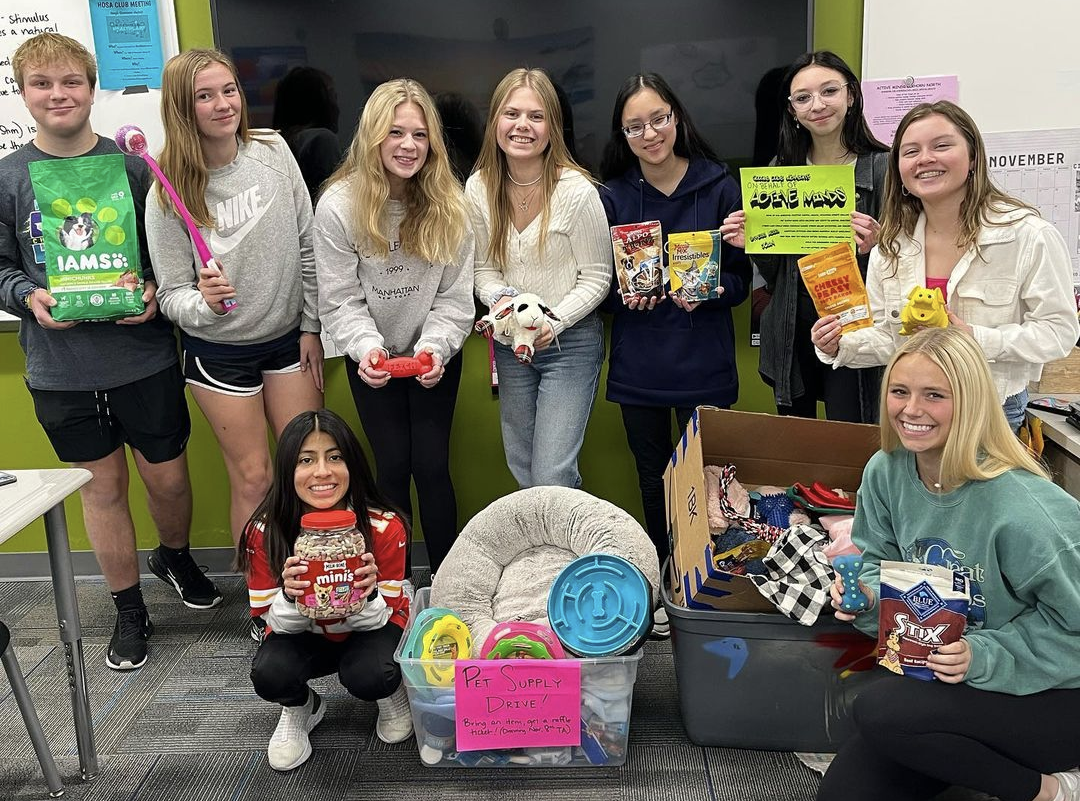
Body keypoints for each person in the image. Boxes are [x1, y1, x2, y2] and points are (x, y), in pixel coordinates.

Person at [0, 33, 221, 672]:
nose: (59, 94)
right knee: (102, 491)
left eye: (71, 81)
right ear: (24, 94)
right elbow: (0, 267)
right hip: (59, 369)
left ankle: (173, 554)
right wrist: (29, 297)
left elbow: (166, 254)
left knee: (169, 479)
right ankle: (130, 611)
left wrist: (155, 288)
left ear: (92, 89)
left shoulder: (133, 168)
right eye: (43, 83)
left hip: (142, 359)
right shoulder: (10, 178)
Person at [817, 326, 1080, 801]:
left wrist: (983, 656)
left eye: (933, 395)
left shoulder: (1027, 511)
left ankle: (1052, 791)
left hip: (1057, 694)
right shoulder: (885, 470)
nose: (911, 410)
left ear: (971, 403)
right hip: (952, 679)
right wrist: (870, 597)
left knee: (878, 710)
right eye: (900, 391)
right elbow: (881, 563)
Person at [145, 49, 324, 614]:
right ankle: (264, 602)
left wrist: (313, 325)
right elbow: (171, 296)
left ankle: (321, 587)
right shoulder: (165, 190)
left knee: (312, 467)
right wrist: (206, 305)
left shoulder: (273, 153)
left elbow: (308, 245)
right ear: (182, 106)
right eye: (205, 95)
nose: (223, 104)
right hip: (218, 352)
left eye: (229, 91)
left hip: (288, 339)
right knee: (253, 477)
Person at [810, 100, 1079, 431]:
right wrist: (839, 345)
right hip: (912, 411)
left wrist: (972, 338)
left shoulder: (1028, 236)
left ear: (973, 157)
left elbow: (1059, 332)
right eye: (910, 152)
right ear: (898, 169)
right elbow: (889, 337)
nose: (925, 159)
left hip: (989, 410)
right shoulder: (890, 248)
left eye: (941, 146)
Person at [314, 78, 474, 576]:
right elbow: (340, 299)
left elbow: (454, 298)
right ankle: (394, 588)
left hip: (435, 353)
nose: (408, 146)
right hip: (372, 359)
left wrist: (436, 349)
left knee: (431, 467)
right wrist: (366, 349)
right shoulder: (338, 205)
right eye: (395, 133)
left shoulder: (453, 204)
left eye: (420, 135)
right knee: (389, 470)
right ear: (372, 138)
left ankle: (448, 586)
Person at [598, 73, 751, 582]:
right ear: (622, 135)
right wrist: (626, 297)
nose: (649, 133)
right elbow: (603, 290)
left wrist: (712, 293)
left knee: (703, 481)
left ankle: (702, 576)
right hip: (639, 362)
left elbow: (740, 283)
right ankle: (665, 570)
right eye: (634, 126)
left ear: (676, 118)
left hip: (703, 361)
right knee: (651, 477)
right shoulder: (613, 197)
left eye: (658, 119)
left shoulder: (720, 185)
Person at [238, 409, 413, 771]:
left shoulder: (384, 526)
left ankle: (389, 693)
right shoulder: (264, 532)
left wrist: (366, 594)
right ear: (288, 469)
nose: (322, 472)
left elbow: (391, 614)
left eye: (335, 457)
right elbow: (267, 623)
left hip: (368, 633)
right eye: (306, 459)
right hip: (302, 635)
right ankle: (300, 705)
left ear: (352, 465)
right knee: (269, 672)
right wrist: (290, 596)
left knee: (373, 673)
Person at [721, 51, 889, 422]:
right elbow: (774, 272)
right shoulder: (779, 171)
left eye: (829, 91)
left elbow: (907, 263)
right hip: (790, 328)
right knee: (796, 443)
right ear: (792, 109)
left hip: (855, 328)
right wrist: (753, 242)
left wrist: (880, 247)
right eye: (803, 97)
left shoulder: (884, 168)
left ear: (851, 95)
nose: (817, 105)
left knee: (853, 436)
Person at [467, 67, 611, 489]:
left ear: (553, 127)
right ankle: (541, 554)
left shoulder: (577, 190)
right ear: (495, 120)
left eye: (536, 116)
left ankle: (565, 556)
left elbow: (598, 276)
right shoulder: (477, 188)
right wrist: (505, 301)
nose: (522, 126)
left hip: (571, 343)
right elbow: (481, 269)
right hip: (512, 344)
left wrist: (554, 319)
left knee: (552, 472)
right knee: (524, 467)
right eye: (512, 114)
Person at [271, 66, 343, 205]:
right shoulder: (322, 141)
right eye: (332, 96)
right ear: (319, 102)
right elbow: (336, 203)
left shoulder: (280, 142)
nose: (337, 107)